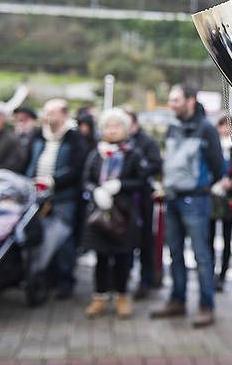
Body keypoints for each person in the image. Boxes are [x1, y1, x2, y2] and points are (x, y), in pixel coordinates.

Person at [150, 84, 224, 328]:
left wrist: (201, 187)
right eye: (171, 100)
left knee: (201, 255)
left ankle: (207, 306)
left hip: (196, 200)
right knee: (175, 253)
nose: (171, 104)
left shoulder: (206, 130)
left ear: (191, 101)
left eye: (176, 99)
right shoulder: (172, 127)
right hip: (171, 198)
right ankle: (177, 300)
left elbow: (218, 167)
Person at [82, 108, 146, 319]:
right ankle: (99, 297)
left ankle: (121, 296)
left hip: (124, 215)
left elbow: (141, 181)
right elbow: (86, 180)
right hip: (99, 215)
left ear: (126, 129)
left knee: (122, 258)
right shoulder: (95, 154)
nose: (112, 130)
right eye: (108, 126)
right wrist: (95, 191)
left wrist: (120, 185)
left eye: (117, 126)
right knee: (100, 258)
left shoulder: (133, 154)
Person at [25, 98, 87, 299]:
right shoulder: (38, 136)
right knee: (39, 237)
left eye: (53, 112)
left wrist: (54, 181)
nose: (48, 116)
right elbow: (29, 160)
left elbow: (78, 168)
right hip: (36, 196)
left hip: (63, 197)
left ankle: (65, 280)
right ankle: (42, 278)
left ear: (64, 114)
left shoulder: (74, 138)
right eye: (46, 112)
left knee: (63, 240)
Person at [125, 110, 162, 300]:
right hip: (124, 199)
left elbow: (156, 164)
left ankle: (145, 281)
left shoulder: (147, 142)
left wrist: (139, 170)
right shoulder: (119, 142)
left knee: (146, 241)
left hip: (143, 199)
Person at [208, 115, 232, 293]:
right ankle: (210, 273)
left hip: (230, 197)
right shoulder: (213, 145)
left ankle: (223, 275)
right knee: (210, 237)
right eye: (221, 125)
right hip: (213, 195)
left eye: (226, 125)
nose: (223, 129)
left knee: (227, 239)